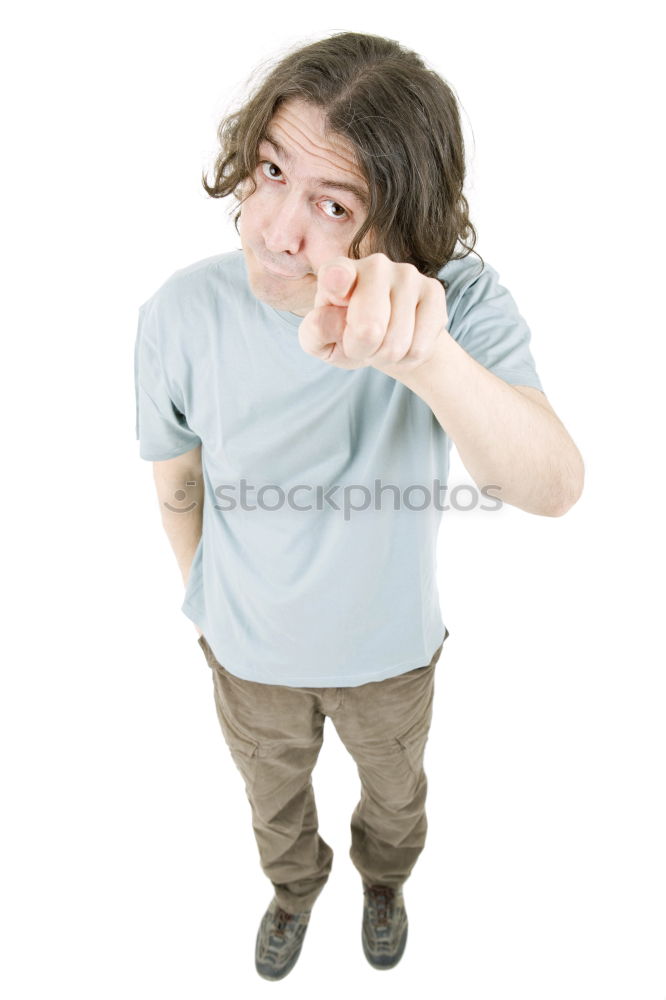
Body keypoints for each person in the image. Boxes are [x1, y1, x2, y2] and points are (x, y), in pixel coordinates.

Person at [134, 30, 584, 981]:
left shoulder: (452, 305)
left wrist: (424, 357)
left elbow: (552, 483)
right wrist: (207, 594)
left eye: (332, 205)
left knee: (396, 799)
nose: (274, 228)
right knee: (274, 805)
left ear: (402, 222)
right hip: (246, 656)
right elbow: (176, 469)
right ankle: (295, 892)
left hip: (391, 657)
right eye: (270, 171)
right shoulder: (178, 313)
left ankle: (385, 882)